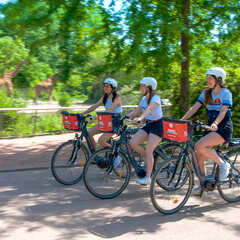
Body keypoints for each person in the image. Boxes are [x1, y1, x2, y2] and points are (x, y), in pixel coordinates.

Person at [181, 67, 233, 194]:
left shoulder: (226, 93)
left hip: (223, 127)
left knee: (199, 145)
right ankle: (203, 183)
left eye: (210, 78)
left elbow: (223, 111)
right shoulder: (206, 93)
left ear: (218, 79)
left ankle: (223, 164)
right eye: (207, 77)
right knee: (198, 157)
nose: (207, 80)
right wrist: (182, 120)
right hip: (211, 127)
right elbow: (195, 107)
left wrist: (215, 123)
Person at [127, 77, 163, 185]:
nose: (140, 88)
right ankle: (149, 158)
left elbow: (149, 109)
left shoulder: (155, 98)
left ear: (149, 87)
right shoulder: (143, 99)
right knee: (133, 142)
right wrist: (124, 117)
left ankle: (148, 178)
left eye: (142, 86)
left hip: (158, 125)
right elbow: (136, 111)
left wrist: (140, 118)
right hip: (149, 124)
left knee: (148, 149)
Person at [83, 78, 122, 149]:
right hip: (106, 121)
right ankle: (94, 155)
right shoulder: (105, 97)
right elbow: (94, 106)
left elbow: (110, 109)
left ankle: (118, 153)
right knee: (89, 133)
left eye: (107, 86)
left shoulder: (118, 97)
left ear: (113, 88)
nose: (105, 88)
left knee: (101, 141)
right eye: (104, 86)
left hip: (115, 122)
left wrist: (97, 117)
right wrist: (82, 113)